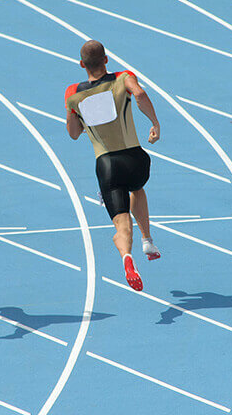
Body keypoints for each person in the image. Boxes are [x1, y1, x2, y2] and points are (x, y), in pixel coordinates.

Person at [65, 40, 161, 291]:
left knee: (120, 222)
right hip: (135, 158)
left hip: (106, 164)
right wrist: (154, 122)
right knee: (137, 190)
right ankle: (147, 239)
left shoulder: (73, 94)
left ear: (81, 64)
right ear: (106, 60)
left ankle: (127, 258)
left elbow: (73, 133)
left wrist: (76, 113)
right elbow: (139, 94)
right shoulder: (123, 77)